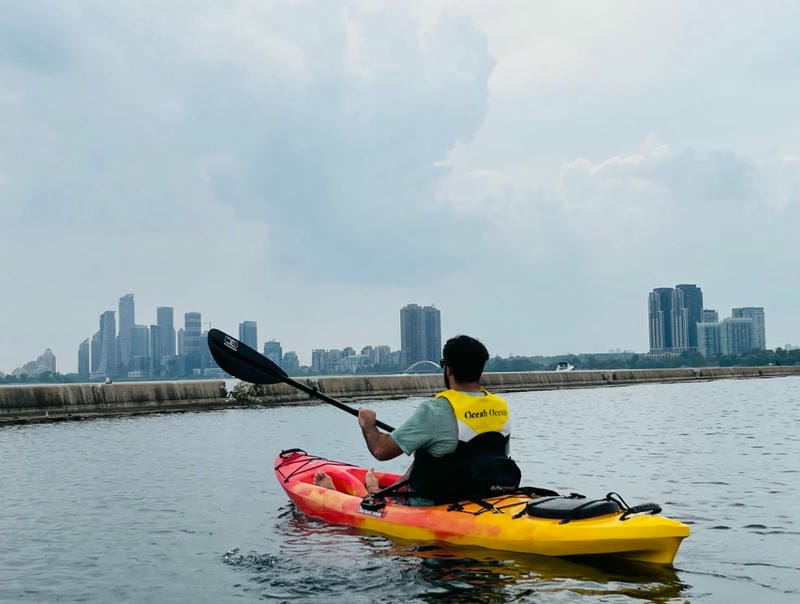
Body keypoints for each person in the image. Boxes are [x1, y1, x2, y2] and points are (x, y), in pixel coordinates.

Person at [313, 334, 521, 504]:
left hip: (440, 500)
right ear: (480, 369)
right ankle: (374, 489)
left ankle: (366, 493)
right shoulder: (499, 406)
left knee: (426, 459)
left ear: (448, 369)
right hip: (487, 494)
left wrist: (368, 424)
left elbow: (381, 450)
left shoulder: (437, 408)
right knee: (427, 455)